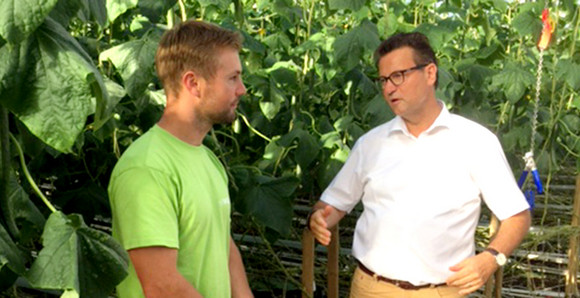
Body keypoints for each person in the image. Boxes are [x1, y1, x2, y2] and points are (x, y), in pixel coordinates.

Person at [308, 32, 531, 297]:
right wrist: (320, 218)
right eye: (384, 80)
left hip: (440, 292)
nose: (389, 88)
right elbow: (333, 204)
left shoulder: (476, 141)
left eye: (398, 76)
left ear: (430, 73)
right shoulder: (371, 144)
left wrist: (491, 257)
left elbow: (517, 216)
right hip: (370, 288)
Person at [108, 20, 253, 298]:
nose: (242, 89)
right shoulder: (147, 168)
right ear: (193, 83)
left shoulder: (206, 158)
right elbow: (162, 286)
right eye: (233, 78)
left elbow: (222, 244)